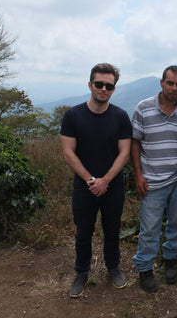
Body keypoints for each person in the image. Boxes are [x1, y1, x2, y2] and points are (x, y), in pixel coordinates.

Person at [60, 63, 132, 298]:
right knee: (83, 231)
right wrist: (91, 180)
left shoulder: (120, 116)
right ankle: (81, 272)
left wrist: (106, 180)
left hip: (113, 186)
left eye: (108, 85)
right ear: (90, 84)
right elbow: (68, 151)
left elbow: (125, 152)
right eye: (99, 84)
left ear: (113, 88)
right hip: (84, 186)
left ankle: (113, 267)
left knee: (112, 229)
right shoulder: (73, 115)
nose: (103, 88)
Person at [131, 65, 177, 293]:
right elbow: (135, 142)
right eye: (170, 83)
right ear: (162, 83)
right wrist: (138, 174)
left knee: (176, 223)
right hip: (151, 180)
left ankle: (171, 258)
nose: (174, 88)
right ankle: (145, 267)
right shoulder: (143, 108)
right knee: (149, 227)